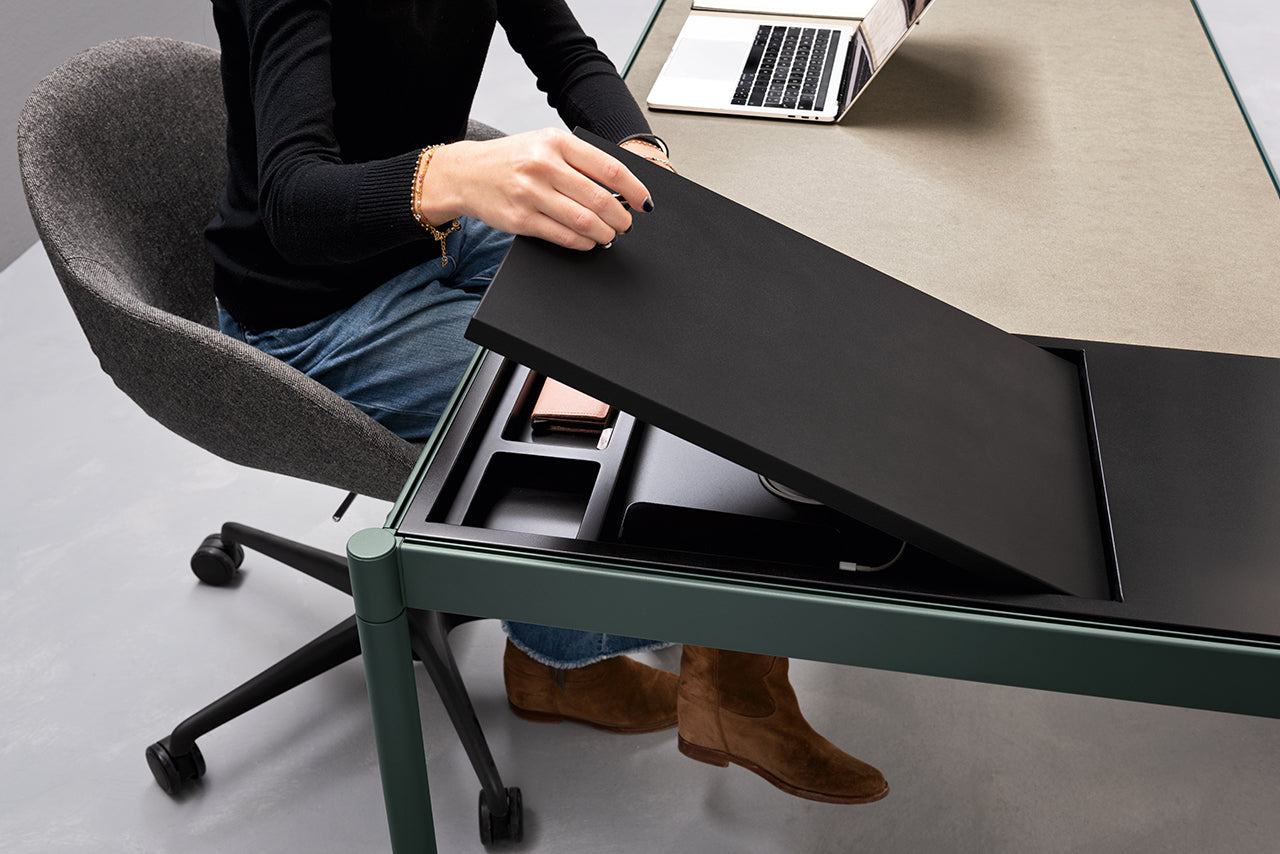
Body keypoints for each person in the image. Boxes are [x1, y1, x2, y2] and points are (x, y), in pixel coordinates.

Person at [206, 0, 887, 805]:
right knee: (591, 427)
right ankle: (577, 667)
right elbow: (293, 202)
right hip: (313, 303)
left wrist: (638, 154)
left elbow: (565, 53)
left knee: (690, 324)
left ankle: (721, 669)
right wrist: (458, 174)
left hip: (438, 231)